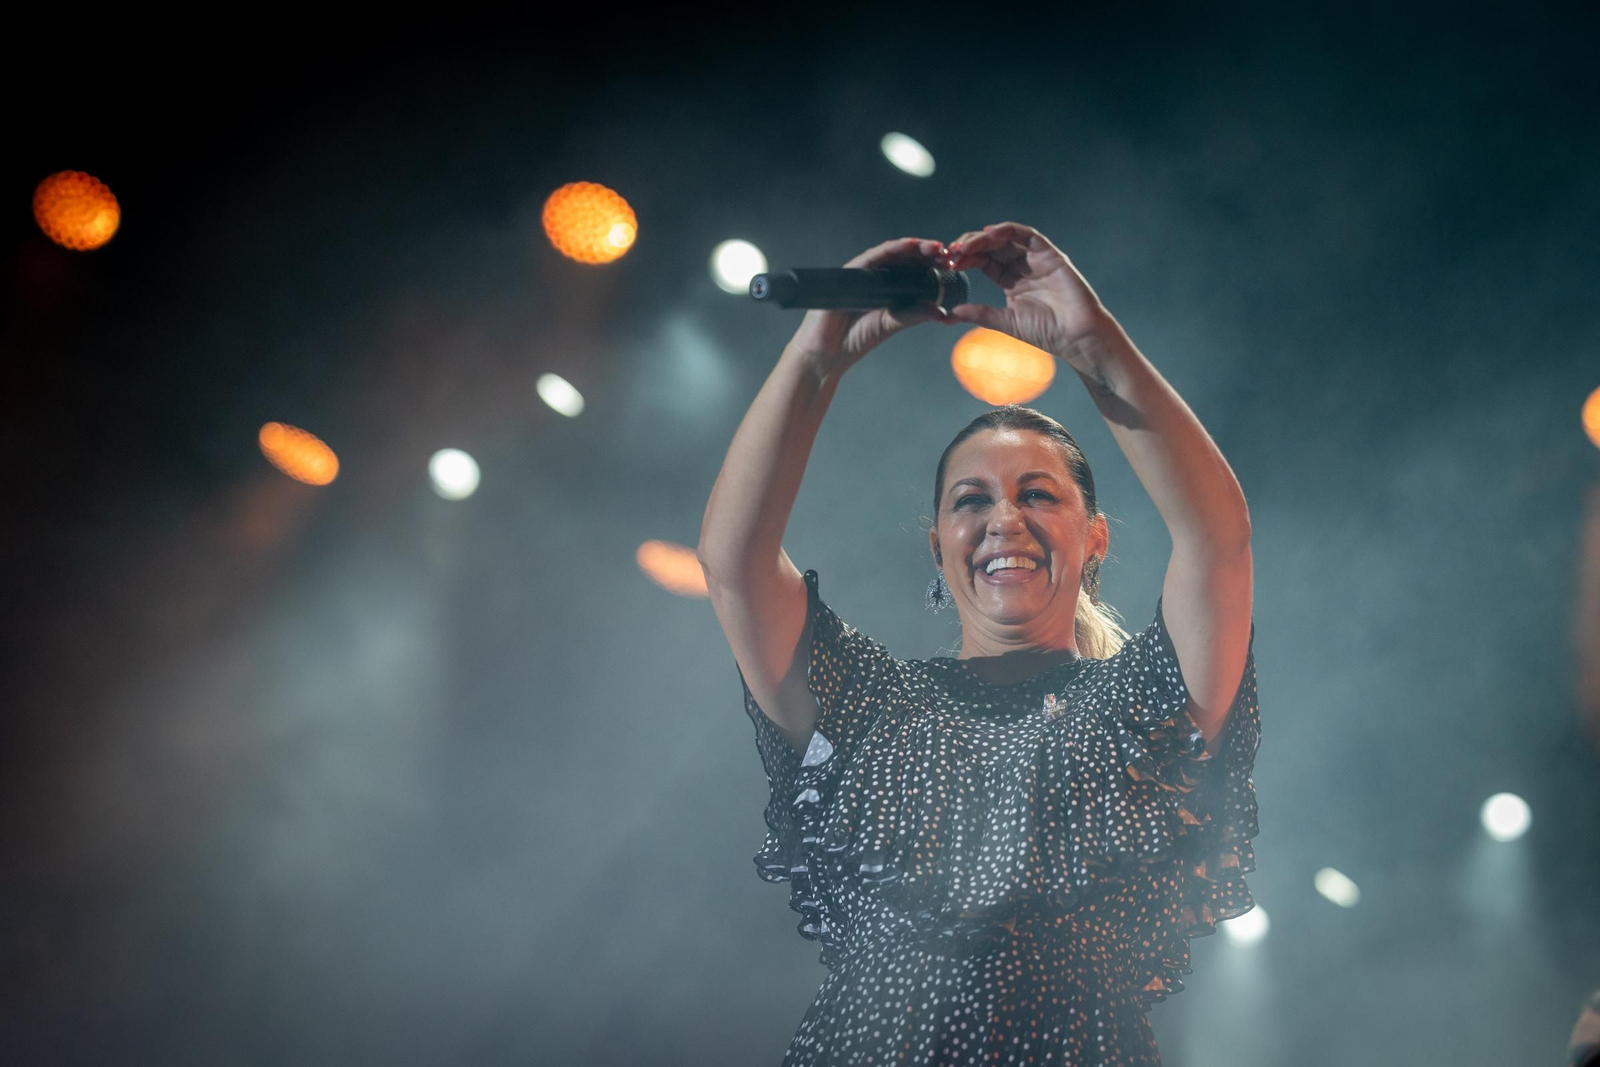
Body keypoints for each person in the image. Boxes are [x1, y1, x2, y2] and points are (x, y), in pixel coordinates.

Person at [698, 222, 1260, 1065]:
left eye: (1038, 494)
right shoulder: (867, 705)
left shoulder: (1140, 710)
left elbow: (1218, 541)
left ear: (1096, 538)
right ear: (938, 546)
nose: (1004, 519)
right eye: (971, 500)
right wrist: (815, 358)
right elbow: (735, 563)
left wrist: (1094, 345)